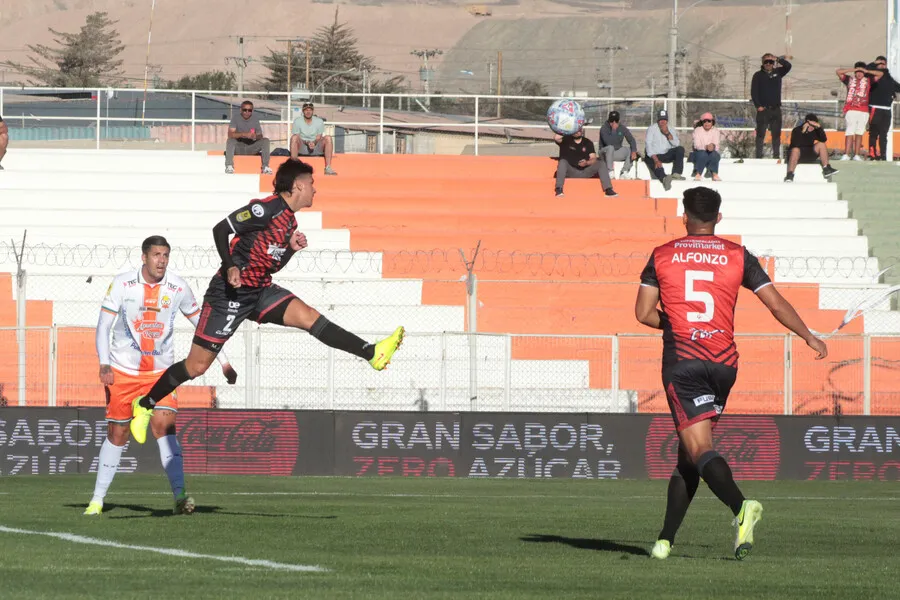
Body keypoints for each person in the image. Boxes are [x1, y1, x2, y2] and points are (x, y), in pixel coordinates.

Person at [130, 160, 405, 430]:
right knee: (196, 366)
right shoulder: (264, 210)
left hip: (260, 290)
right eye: (311, 183)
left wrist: (290, 250)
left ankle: (371, 352)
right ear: (298, 185)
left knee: (309, 317)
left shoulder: (290, 222)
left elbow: (271, 264)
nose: (315, 189)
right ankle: (144, 405)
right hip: (229, 295)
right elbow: (220, 229)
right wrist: (230, 265)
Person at [636, 187, 827, 561]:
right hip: (724, 364)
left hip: (683, 362)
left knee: (699, 449)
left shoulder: (662, 255)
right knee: (689, 456)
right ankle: (665, 540)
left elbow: (643, 313)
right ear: (718, 218)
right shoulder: (738, 255)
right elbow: (775, 303)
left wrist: (677, 327)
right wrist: (808, 336)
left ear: (684, 217)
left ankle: (742, 508)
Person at [85, 236, 239, 517]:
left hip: (161, 373)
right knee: (118, 434)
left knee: (165, 428)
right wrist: (104, 363)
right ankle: (97, 500)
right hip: (123, 371)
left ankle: (180, 496)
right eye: (156, 255)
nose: (162, 260)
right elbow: (103, 325)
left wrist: (224, 362)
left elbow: (204, 327)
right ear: (144, 257)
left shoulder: (178, 287)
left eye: (166, 255)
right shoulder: (122, 284)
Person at [836, 61, 883, 161]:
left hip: (864, 111)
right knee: (849, 132)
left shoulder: (868, 80)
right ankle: (846, 154)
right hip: (851, 109)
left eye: (861, 72)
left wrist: (866, 71)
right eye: (857, 71)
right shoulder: (849, 80)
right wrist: (854, 69)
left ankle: (857, 155)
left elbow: (880, 74)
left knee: (859, 133)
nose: (859, 73)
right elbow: (838, 72)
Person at [553, 127, 617, 198]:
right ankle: (559, 189)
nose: (577, 131)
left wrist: (587, 163)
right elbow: (556, 138)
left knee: (601, 163)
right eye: (575, 129)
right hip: (571, 171)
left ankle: (608, 189)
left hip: (585, 171)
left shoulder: (588, 142)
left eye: (579, 129)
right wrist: (569, 129)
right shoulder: (565, 140)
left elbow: (593, 158)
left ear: (582, 130)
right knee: (562, 161)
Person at [751, 53, 792, 159]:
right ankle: (758, 157)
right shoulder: (757, 75)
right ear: (762, 63)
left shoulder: (778, 72)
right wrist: (758, 106)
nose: (768, 64)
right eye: (766, 62)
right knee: (760, 134)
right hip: (763, 110)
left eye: (771, 62)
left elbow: (788, 66)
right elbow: (754, 92)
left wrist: (778, 59)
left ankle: (776, 157)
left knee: (776, 135)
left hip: (775, 109)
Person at [784, 113, 840, 182]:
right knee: (795, 149)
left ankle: (827, 168)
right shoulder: (797, 130)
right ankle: (789, 175)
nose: (812, 127)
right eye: (811, 125)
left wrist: (819, 127)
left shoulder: (815, 131)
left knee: (821, 144)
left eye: (814, 125)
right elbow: (796, 144)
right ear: (806, 123)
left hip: (808, 154)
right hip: (796, 155)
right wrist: (803, 131)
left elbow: (823, 139)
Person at [866, 56, 900, 161]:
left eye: (883, 63)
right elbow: (865, 70)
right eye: (880, 63)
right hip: (875, 108)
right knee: (873, 133)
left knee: (884, 134)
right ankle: (872, 154)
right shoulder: (872, 75)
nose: (882, 65)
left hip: (886, 110)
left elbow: (897, 87)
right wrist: (874, 63)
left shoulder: (888, 77)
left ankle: (883, 155)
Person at [225, 101, 272, 175]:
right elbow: (230, 134)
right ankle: (229, 166)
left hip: (251, 147)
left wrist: (255, 136)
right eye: (245, 110)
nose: (247, 112)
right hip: (239, 147)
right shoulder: (235, 118)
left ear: (252, 111)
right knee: (230, 140)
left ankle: (265, 167)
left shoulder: (255, 119)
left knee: (266, 141)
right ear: (241, 110)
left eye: (249, 110)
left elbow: (260, 135)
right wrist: (243, 134)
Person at [291, 102, 338, 175]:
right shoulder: (297, 121)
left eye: (310, 110)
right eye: (306, 110)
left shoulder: (319, 121)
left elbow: (319, 136)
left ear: (313, 111)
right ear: (303, 111)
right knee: (294, 138)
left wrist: (314, 142)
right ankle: (293, 167)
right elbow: (297, 136)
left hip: (316, 146)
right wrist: (307, 142)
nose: (308, 112)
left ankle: (328, 167)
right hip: (303, 146)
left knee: (328, 138)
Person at [644, 110, 685, 191]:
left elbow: (676, 144)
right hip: (655, 155)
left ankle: (676, 174)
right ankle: (664, 178)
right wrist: (656, 159)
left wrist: (667, 133)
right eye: (661, 120)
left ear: (667, 120)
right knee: (649, 158)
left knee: (680, 149)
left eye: (664, 120)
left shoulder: (671, 129)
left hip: (666, 154)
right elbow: (648, 145)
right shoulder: (652, 128)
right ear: (658, 120)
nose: (662, 122)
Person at [599, 110, 638, 180]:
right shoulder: (604, 128)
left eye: (616, 121)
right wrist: (614, 130)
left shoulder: (622, 128)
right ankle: (610, 171)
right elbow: (609, 143)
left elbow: (631, 140)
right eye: (611, 121)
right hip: (604, 153)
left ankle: (624, 172)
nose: (614, 123)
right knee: (610, 147)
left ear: (619, 120)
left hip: (615, 152)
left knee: (630, 150)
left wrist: (634, 151)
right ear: (609, 120)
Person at [691, 112, 722, 181]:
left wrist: (713, 146)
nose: (707, 123)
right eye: (705, 121)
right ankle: (698, 174)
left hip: (711, 152)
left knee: (715, 154)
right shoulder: (697, 130)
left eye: (709, 121)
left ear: (712, 122)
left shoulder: (716, 131)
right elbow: (696, 145)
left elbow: (717, 146)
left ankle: (714, 174)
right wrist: (706, 147)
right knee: (703, 154)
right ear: (702, 122)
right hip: (698, 152)